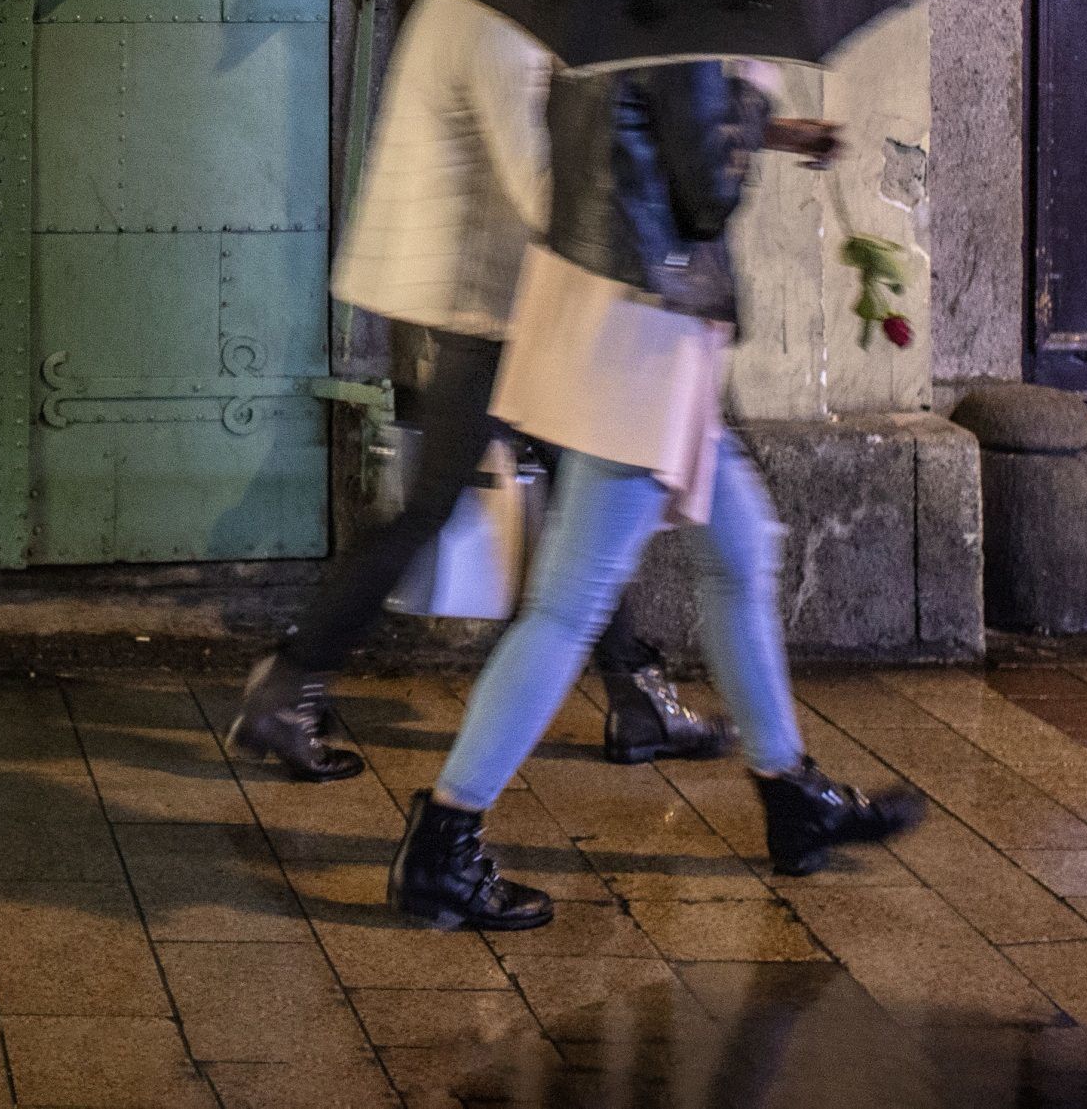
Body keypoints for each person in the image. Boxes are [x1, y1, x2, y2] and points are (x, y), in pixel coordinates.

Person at [386, 58, 923, 931]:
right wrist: (750, 102)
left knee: (744, 550)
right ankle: (444, 840)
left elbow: (641, 128)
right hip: (644, 338)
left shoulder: (621, 4)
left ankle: (792, 793)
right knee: (566, 608)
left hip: (612, 315)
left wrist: (768, 129)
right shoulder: (691, 23)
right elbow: (705, 194)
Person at [224, 0, 724, 783]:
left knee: (577, 494)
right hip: (492, 309)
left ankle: (638, 694)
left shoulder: (473, 10)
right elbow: (538, 192)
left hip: (501, 305)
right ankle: (285, 687)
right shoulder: (496, 28)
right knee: (455, 506)